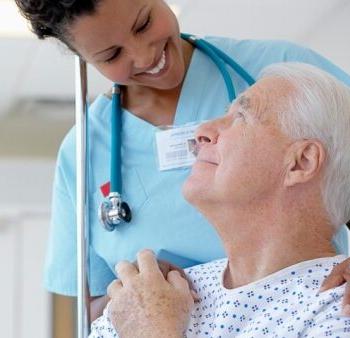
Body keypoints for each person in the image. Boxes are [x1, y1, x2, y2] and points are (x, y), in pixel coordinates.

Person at [15, 0, 350, 319]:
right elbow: (85, 312)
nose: (145, 56)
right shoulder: (83, 152)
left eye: (143, 24)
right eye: (112, 54)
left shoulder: (281, 72)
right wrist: (133, 294)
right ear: (83, 58)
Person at [91, 62, 350, 338]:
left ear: (301, 162)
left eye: (241, 116)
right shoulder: (149, 297)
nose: (202, 130)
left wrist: (152, 330)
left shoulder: (338, 309)